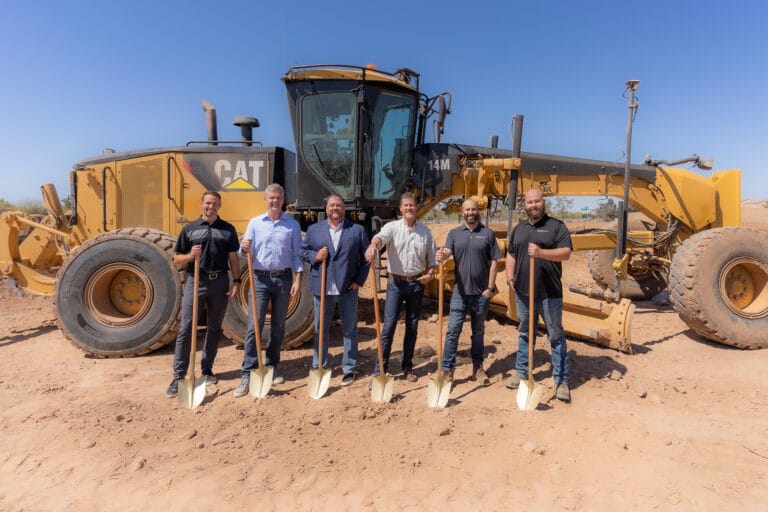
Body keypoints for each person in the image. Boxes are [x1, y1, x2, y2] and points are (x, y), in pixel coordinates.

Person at [166, 190, 241, 398]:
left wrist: (236, 281)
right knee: (186, 328)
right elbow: (176, 258)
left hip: (220, 282)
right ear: (201, 204)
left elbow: (233, 258)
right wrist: (191, 256)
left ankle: (207, 370)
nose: (211, 206)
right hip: (196, 282)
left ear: (219, 206)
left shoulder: (227, 229)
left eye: (215, 203)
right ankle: (178, 376)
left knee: (214, 328)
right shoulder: (189, 229)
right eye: (208, 203)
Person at [234, 183, 303, 397]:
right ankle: (248, 372)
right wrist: (244, 247)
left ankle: (273, 366)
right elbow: (243, 251)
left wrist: (297, 279)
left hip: (283, 279)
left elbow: (297, 255)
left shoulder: (292, 225)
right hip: (259, 279)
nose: (275, 201)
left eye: (278, 198)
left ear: (283, 200)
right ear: (266, 200)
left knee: (278, 326)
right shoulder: (255, 223)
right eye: (271, 198)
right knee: (254, 326)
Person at [505, 188, 573, 402]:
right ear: (524, 205)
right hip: (524, 293)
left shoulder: (556, 226)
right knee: (525, 333)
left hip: (549, 294)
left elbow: (566, 253)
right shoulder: (519, 229)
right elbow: (511, 254)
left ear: (543, 202)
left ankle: (561, 380)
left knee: (556, 336)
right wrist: (510, 278)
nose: (533, 205)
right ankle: (522, 372)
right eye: (529, 202)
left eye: (537, 201)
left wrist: (541, 253)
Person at [365, 192, 437, 382]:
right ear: (400, 208)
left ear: (416, 207)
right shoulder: (392, 227)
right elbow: (380, 238)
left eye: (411, 205)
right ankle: (380, 370)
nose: (409, 208)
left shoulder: (426, 232)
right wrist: (373, 246)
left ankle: (408, 367)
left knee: (412, 328)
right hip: (395, 284)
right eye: (405, 205)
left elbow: (433, 261)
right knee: (388, 327)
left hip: (417, 285)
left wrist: (430, 274)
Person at [300, 194, 370, 386]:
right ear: (326, 208)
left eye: (338, 205)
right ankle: (319, 366)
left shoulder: (356, 230)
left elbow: (366, 259)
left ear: (344, 209)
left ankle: (349, 368)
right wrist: (315, 256)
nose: (335, 208)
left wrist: (358, 281)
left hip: (347, 289)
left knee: (350, 330)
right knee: (320, 330)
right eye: (331, 205)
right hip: (322, 288)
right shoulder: (314, 230)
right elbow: (302, 251)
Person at [436, 199, 500, 386]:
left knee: (478, 332)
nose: (470, 212)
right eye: (467, 209)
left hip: (481, 294)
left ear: (477, 210)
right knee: (453, 331)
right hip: (460, 293)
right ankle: (447, 370)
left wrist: (490, 287)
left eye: (473, 209)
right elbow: (448, 252)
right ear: (462, 212)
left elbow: (494, 262)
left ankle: (478, 368)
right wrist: (442, 255)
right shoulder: (454, 233)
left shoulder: (487, 234)